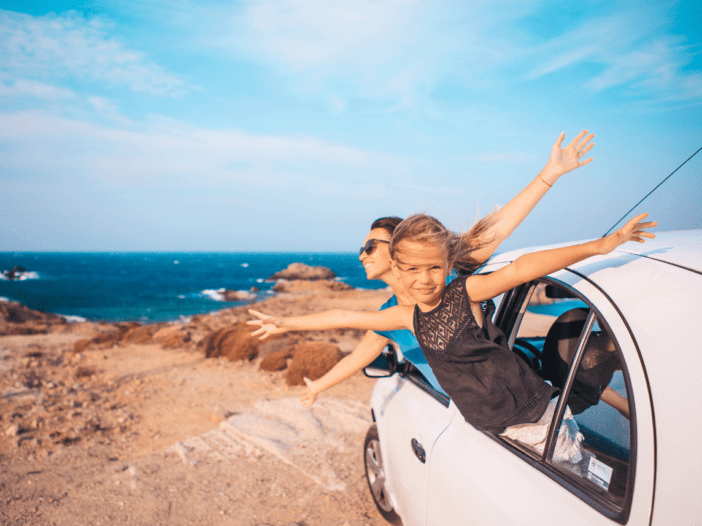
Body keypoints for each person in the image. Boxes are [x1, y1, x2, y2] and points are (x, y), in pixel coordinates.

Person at [248, 211, 656, 460]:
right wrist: (286, 325)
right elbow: (345, 315)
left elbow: (520, 270)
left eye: (434, 268)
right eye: (413, 269)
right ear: (399, 266)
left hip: (536, 423)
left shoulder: (465, 294)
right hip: (494, 430)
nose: (425, 279)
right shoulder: (406, 317)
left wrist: (601, 245)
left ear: (447, 264)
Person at [299, 129, 596, 407]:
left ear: (397, 248)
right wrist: (316, 388)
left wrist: (551, 172)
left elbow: (499, 227)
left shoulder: (453, 275)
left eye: (369, 246)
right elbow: (355, 360)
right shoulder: (389, 317)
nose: (362, 255)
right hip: (476, 416)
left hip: (522, 395)